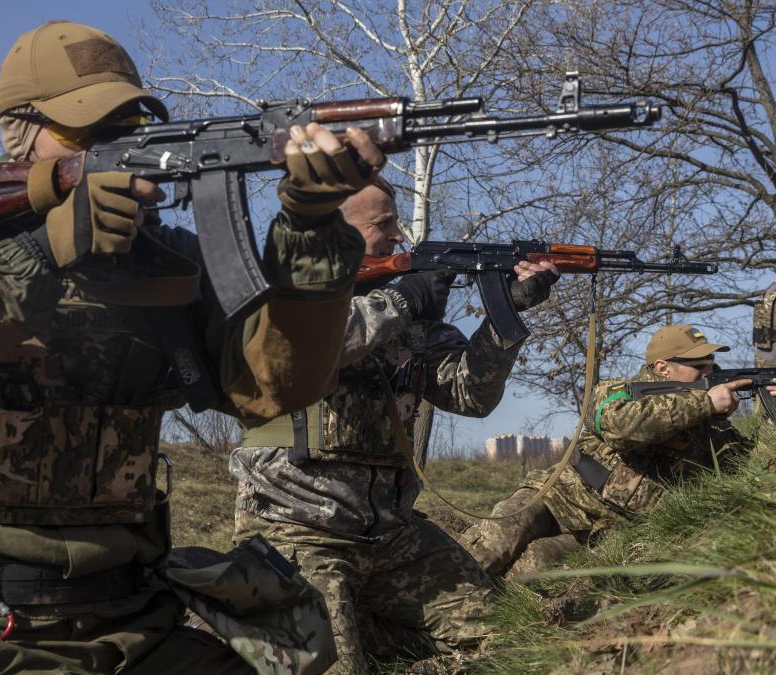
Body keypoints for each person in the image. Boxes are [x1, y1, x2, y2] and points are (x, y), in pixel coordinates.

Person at [0, 20, 387, 674]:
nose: (118, 145)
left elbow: (270, 388)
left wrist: (310, 230)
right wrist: (42, 251)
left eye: (127, 125)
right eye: (88, 130)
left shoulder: (166, 259)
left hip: (131, 620)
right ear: (18, 132)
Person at [228, 178, 560, 673]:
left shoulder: (406, 317)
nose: (398, 238)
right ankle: (331, 630)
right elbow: (301, 352)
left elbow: (469, 394)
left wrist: (503, 317)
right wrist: (402, 298)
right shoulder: (280, 294)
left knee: (517, 638)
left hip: (391, 537)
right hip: (295, 532)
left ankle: (362, 627)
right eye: (382, 225)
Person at [461, 325, 776, 580]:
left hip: (603, 531)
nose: (710, 372)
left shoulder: (712, 427)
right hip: (559, 497)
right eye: (700, 365)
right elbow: (622, 427)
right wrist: (704, 401)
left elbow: (751, 469)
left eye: (711, 364)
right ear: (663, 368)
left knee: (532, 569)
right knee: (487, 550)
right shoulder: (617, 392)